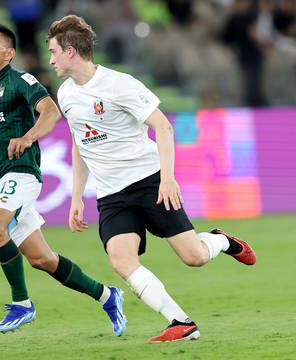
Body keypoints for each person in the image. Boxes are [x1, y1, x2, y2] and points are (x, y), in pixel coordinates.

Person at [47, 14, 257, 343]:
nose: (50, 59)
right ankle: (181, 322)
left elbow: (163, 127)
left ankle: (221, 240)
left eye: (53, 51)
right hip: (112, 195)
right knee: (120, 259)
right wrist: (76, 196)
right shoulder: (66, 94)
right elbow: (79, 143)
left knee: (195, 258)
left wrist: (168, 179)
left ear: (71, 51)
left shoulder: (120, 85)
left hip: (148, 181)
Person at [0, 23, 126, 336]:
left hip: (20, 173)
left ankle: (22, 304)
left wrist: (28, 137)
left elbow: (50, 112)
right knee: (43, 259)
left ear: (9, 53)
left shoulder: (20, 81)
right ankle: (107, 295)